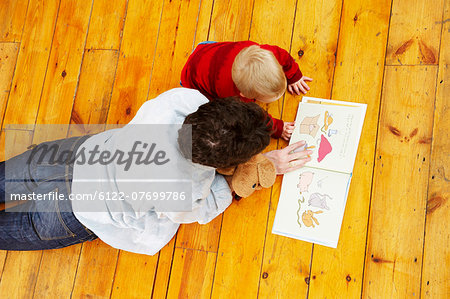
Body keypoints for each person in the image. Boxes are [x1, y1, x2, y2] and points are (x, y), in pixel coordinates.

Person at [0, 88, 312, 255]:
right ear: (225, 165)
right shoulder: (186, 192)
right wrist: (263, 166)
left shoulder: (180, 100)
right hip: (77, 210)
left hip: (74, 155)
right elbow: (201, 209)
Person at [180, 41, 313, 140]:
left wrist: (294, 76)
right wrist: (278, 128)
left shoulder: (265, 54)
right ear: (244, 95)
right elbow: (254, 117)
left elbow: (284, 56)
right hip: (192, 78)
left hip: (208, 50)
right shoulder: (233, 96)